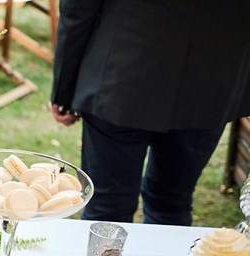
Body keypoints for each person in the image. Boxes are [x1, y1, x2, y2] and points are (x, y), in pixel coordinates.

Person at [50, 0, 250, 225]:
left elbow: (77, 10)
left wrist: (63, 91)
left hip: (122, 76)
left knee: (108, 208)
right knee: (170, 205)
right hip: (208, 85)